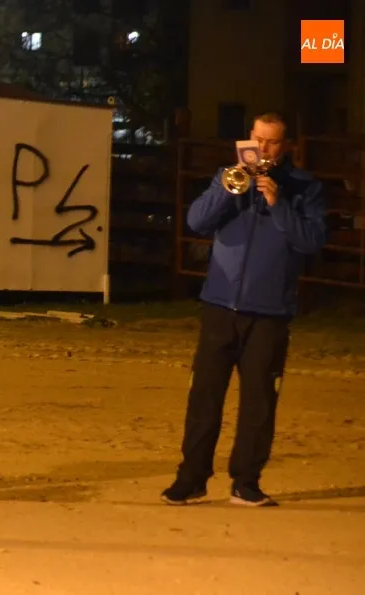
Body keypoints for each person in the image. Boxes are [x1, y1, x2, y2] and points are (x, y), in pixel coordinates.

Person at [162, 112, 327, 507]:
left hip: (269, 313)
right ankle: (192, 478)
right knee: (204, 398)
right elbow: (197, 221)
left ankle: (246, 482)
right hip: (220, 305)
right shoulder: (228, 175)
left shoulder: (305, 187)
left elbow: (312, 241)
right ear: (248, 137)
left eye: (272, 142)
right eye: (258, 139)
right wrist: (228, 188)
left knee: (259, 404)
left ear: (286, 146)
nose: (263, 148)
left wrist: (277, 203)